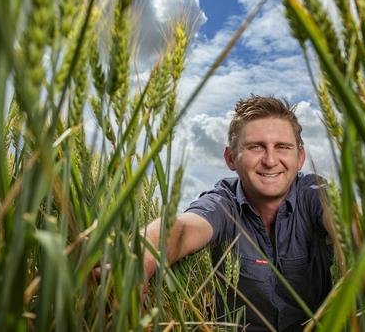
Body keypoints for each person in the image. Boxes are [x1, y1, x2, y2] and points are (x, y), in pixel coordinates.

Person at [142, 96, 333, 331]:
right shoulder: (223, 200)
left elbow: (347, 223)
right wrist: (142, 256)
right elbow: (183, 227)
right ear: (231, 158)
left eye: (283, 147)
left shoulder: (313, 193)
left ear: (300, 157)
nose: (271, 160)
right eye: (256, 147)